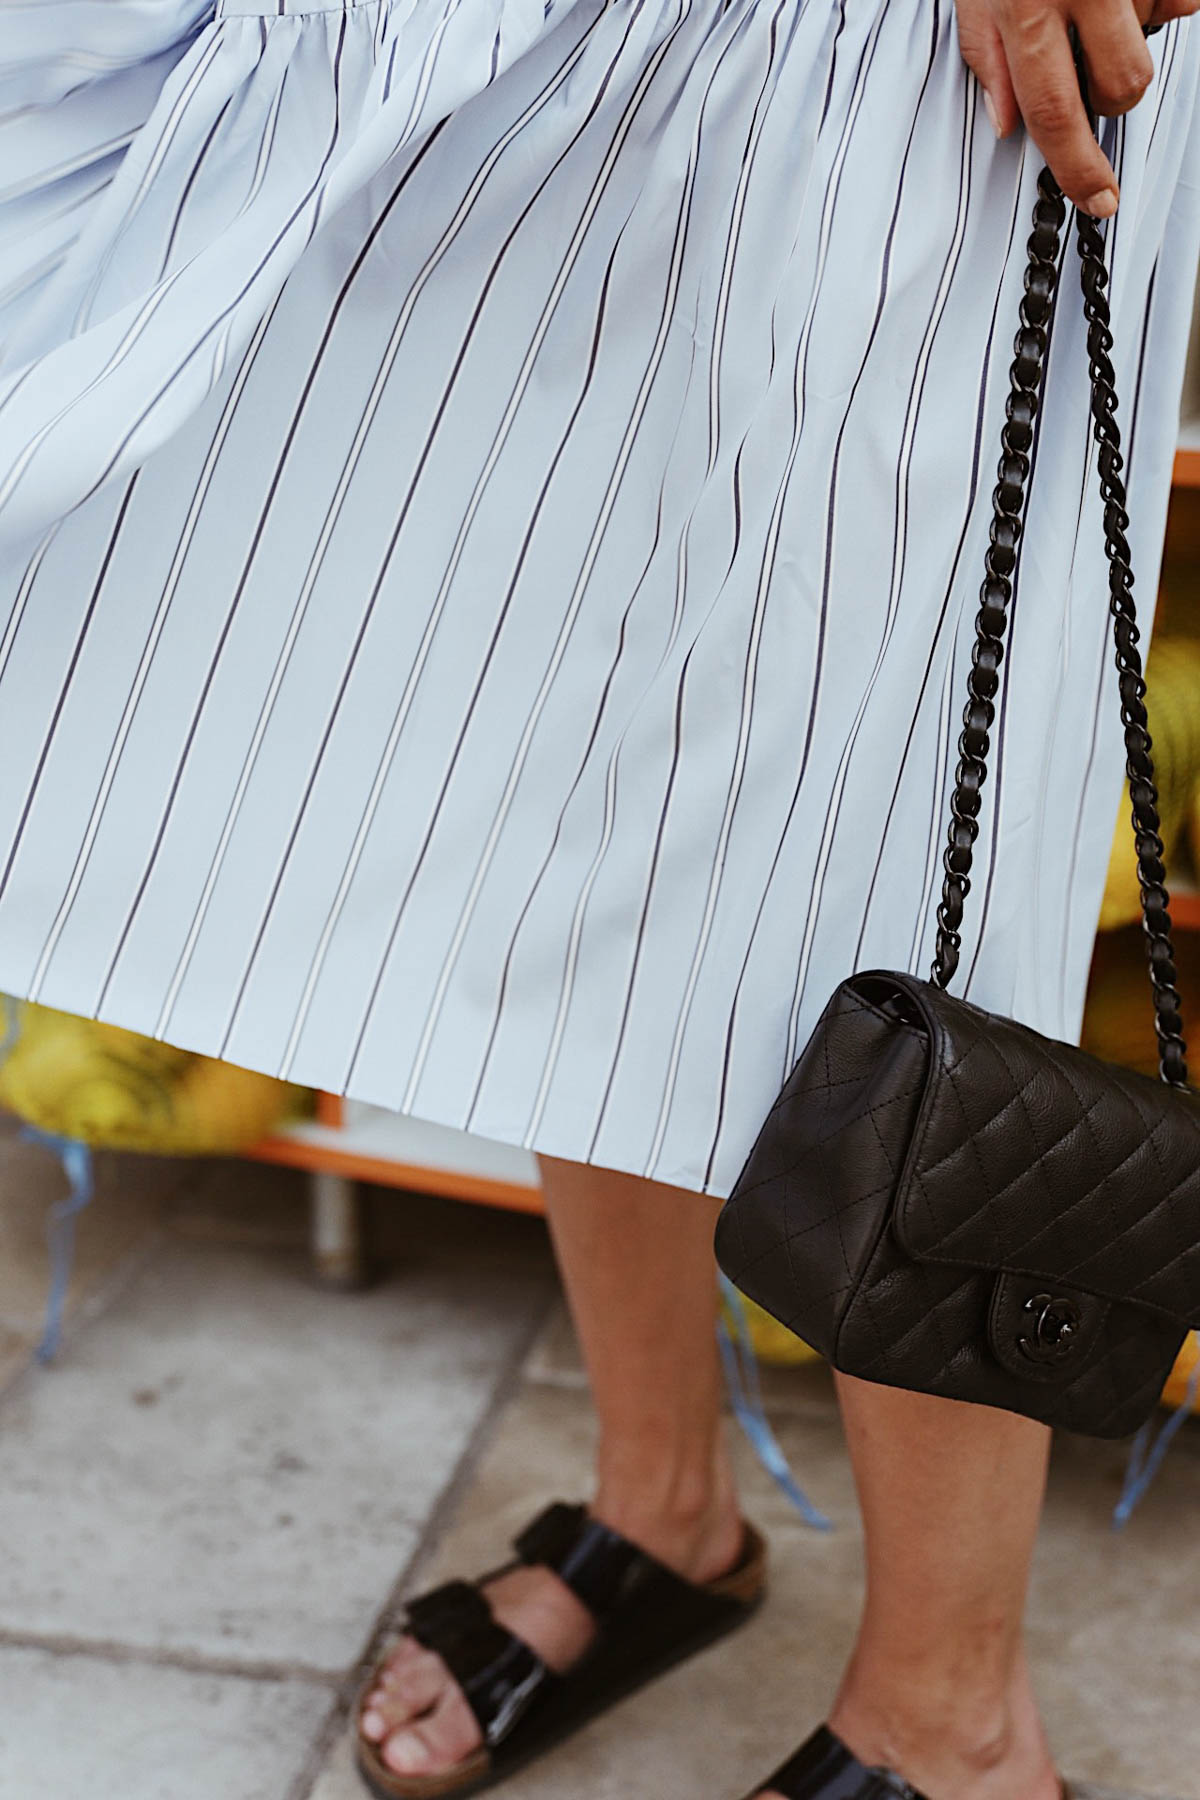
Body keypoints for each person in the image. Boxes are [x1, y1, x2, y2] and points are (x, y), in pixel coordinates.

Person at [0, 0, 1197, 1796]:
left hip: (949, 61)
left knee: (916, 885)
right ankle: (663, 1508)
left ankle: (953, 1725)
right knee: (592, 773)